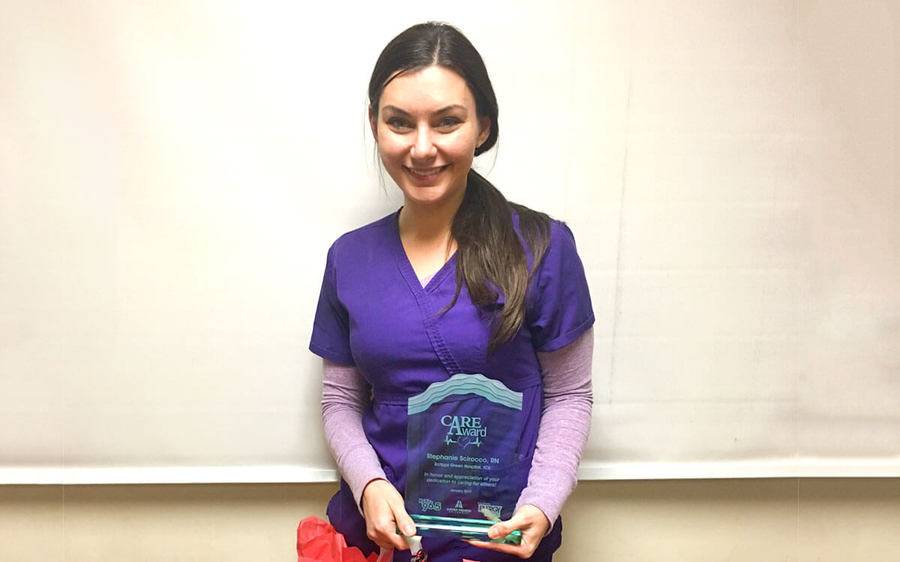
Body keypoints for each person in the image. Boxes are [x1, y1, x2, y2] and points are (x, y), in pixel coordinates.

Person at [309, 21, 595, 562]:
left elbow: (569, 395)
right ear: (375, 125)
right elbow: (340, 400)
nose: (421, 148)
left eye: (447, 122)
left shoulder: (542, 247)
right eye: (399, 123)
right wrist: (369, 486)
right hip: (379, 535)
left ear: (482, 126)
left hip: (497, 536)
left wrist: (543, 502)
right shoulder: (349, 258)